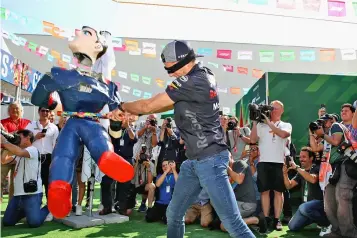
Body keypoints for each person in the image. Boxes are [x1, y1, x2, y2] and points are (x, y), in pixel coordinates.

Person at [108, 40, 254, 238]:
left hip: (210, 160)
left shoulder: (193, 80)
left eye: (171, 69)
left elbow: (149, 105)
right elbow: (163, 105)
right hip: (193, 161)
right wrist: (137, 114)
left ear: (184, 63)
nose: (170, 74)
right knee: (174, 213)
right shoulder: (202, 75)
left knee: (233, 223)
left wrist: (124, 107)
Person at [30, 26, 134, 218]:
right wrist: (117, 125)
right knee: (67, 153)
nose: (78, 31)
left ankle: (104, 159)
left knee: (65, 155)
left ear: (97, 45)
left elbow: (38, 98)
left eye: (86, 32)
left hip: (80, 123)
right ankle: (62, 188)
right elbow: (116, 121)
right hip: (86, 123)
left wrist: (51, 103)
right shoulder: (106, 86)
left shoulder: (60, 75)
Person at [250, 100, 292, 231]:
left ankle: (277, 219)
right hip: (263, 162)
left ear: (282, 110)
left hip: (279, 162)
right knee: (264, 192)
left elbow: (284, 134)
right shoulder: (262, 126)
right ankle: (267, 218)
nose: (273, 110)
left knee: (279, 192)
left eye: (276, 108)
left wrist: (269, 122)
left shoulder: (286, 125)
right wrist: (255, 121)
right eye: (272, 108)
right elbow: (252, 140)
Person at [1, 130, 49, 228]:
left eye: (20, 137)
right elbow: (3, 160)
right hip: (18, 195)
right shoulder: (19, 154)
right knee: (7, 222)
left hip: (32, 194)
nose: (17, 139)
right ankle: (28, 211)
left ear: (27, 138)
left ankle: (49, 207)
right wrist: (5, 146)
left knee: (34, 223)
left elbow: (20, 152)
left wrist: (5, 141)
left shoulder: (33, 150)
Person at [1, 102, 31, 201]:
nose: (15, 110)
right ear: (8, 111)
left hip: (21, 154)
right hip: (6, 153)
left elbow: (30, 138)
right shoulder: (3, 122)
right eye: (12, 108)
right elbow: (4, 137)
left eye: (17, 108)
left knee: (16, 182)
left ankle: (12, 208)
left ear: (22, 111)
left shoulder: (27, 122)